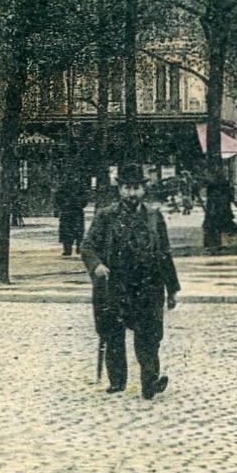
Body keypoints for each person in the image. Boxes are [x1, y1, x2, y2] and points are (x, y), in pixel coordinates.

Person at [82, 163, 180, 400]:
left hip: (148, 285)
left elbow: (164, 253)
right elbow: (88, 247)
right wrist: (97, 265)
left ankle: (150, 382)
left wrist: (172, 289)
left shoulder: (154, 217)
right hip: (116, 284)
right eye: (127, 188)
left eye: (136, 188)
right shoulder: (106, 216)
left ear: (143, 189)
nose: (132, 193)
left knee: (149, 336)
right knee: (113, 334)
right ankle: (117, 381)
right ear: (120, 190)